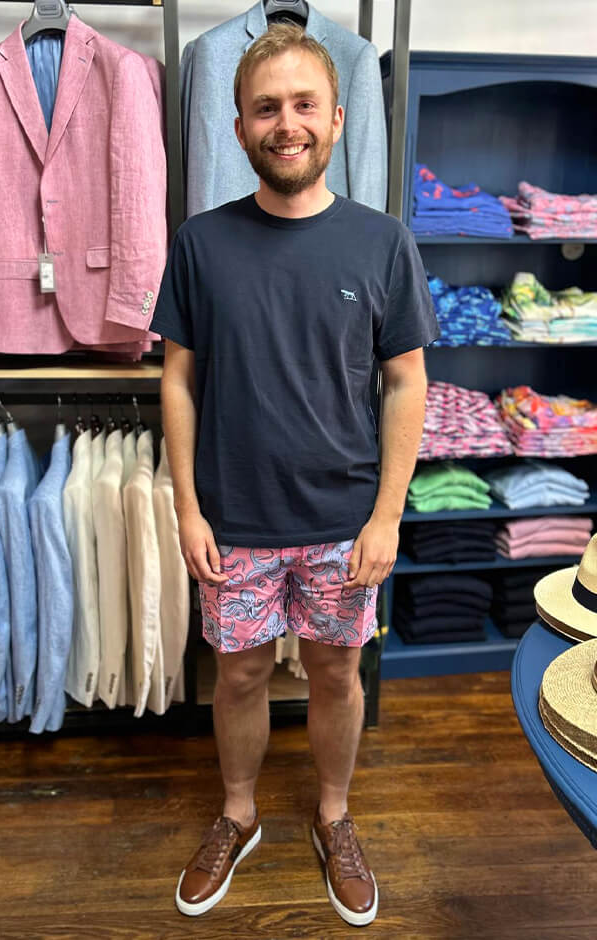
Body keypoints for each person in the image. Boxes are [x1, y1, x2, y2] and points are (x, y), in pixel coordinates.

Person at [150, 23, 438, 927]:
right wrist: (187, 506)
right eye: (266, 108)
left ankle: (334, 817)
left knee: (337, 675)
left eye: (305, 104)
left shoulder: (382, 242)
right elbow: (178, 380)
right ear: (239, 126)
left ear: (338, 119)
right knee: (237, 677)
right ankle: (238, 815)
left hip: (343, 523)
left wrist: (387, 516)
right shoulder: (200, 243)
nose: (287, 124)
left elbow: (406, 380)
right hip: (234, 519)